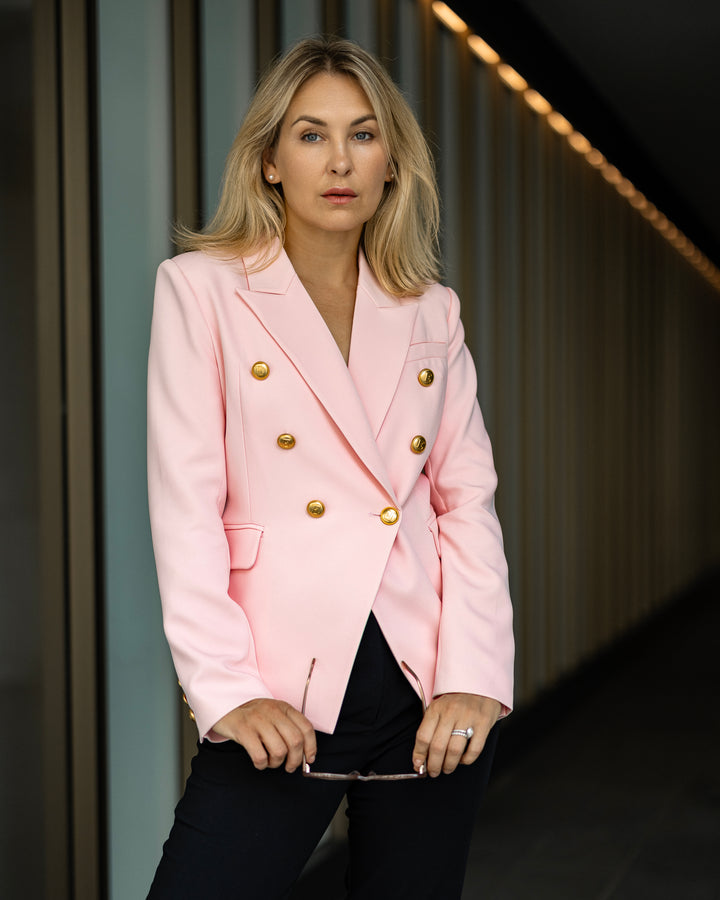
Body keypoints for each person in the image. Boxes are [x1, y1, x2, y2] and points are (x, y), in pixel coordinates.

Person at [146, 35, 514, 900]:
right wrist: (225, 690)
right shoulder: (203, 291)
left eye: (363, 134)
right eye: (310, 135)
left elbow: (466, 503)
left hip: (427, 689)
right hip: (281, 686)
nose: (338, 160)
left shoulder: (430, 308)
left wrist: (476, 678)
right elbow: (187, 504)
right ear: (270, 160)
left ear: (392, 159)